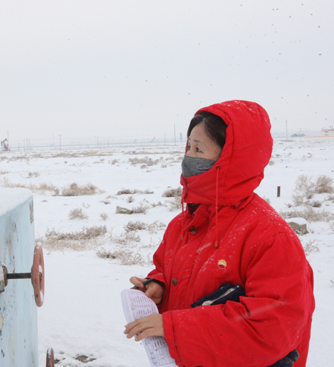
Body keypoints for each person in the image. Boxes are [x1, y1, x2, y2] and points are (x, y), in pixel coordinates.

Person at [124, 100, 315, 366]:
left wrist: (175, 327)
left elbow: (272, 329)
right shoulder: (183, 224)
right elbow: (171, 271)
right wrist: (160, 286)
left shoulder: (271, 237)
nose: (188, 158)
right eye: (188, 147)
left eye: (199, 149)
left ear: (231, 158)